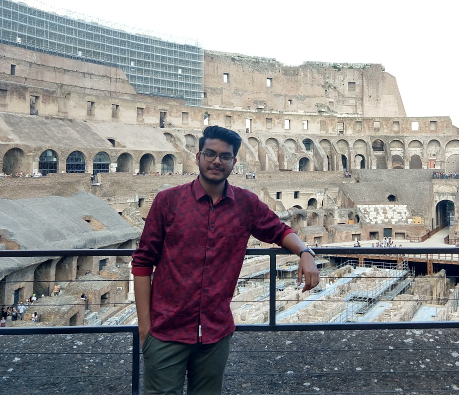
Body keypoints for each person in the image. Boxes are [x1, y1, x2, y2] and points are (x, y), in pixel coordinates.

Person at [132, 126, 319, 395]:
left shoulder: (246, 204)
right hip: (166, 332)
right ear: (198, 156)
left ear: (234, 161)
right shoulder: (168, 201)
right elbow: (142, 262)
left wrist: (305, 252)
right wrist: (144, 329)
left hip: (215, 333)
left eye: (225, 156)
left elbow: (280, 230)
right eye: (210, 153)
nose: (216, 161)